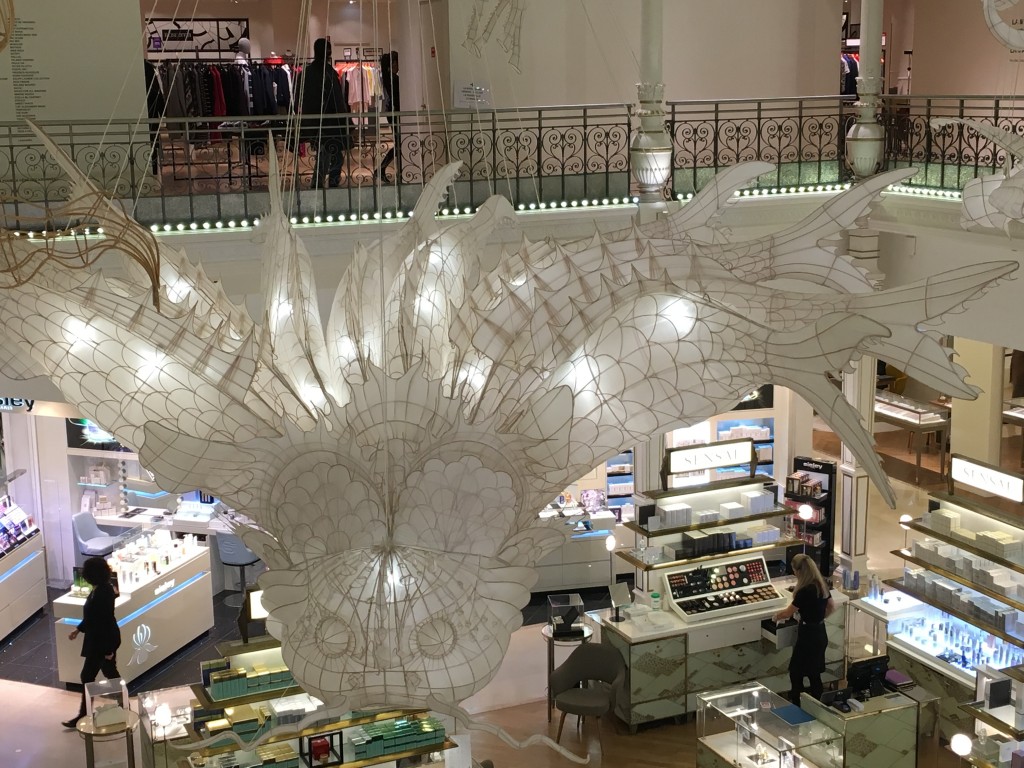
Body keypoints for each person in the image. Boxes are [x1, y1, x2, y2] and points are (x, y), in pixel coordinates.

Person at [62, 556, 121, 729]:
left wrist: (109, 649)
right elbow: (93, 617)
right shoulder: (101, 589)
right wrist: (78, 629)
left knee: (89, 676)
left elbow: (103, 620)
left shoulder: (103, 593)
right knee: (108, 672)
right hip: (100, 641)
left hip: (101, 643)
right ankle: (122, 704)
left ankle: (84, 713)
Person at [773, 553, 835, 706]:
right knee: (814, 674)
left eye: (794, 570)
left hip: (808, 636)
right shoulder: (821, 584)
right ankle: (819, 706)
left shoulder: (804, 591)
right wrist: (819, 616)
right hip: (820, 632)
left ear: (799, 571)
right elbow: (832, 606)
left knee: (796, 672)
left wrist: (775, 617)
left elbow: (788, 612)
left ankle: (797, 703)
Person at [299, 38, 350, 188]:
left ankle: (318, 183)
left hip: (314, 122)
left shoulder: (306, 73)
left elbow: (300, 98)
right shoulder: (328, 73)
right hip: (330, 123)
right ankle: (326, 184)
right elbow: (337, 100)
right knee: (331, 156)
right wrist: (345, 122)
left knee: (327, 155)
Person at [375, 50, 401, 182]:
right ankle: (381, 169)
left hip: (391, 113)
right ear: (394, 63)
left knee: (399, 144)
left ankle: (381, 169)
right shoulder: (393, 79)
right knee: (399, 145)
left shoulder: (387, 77)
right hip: (395, 114)